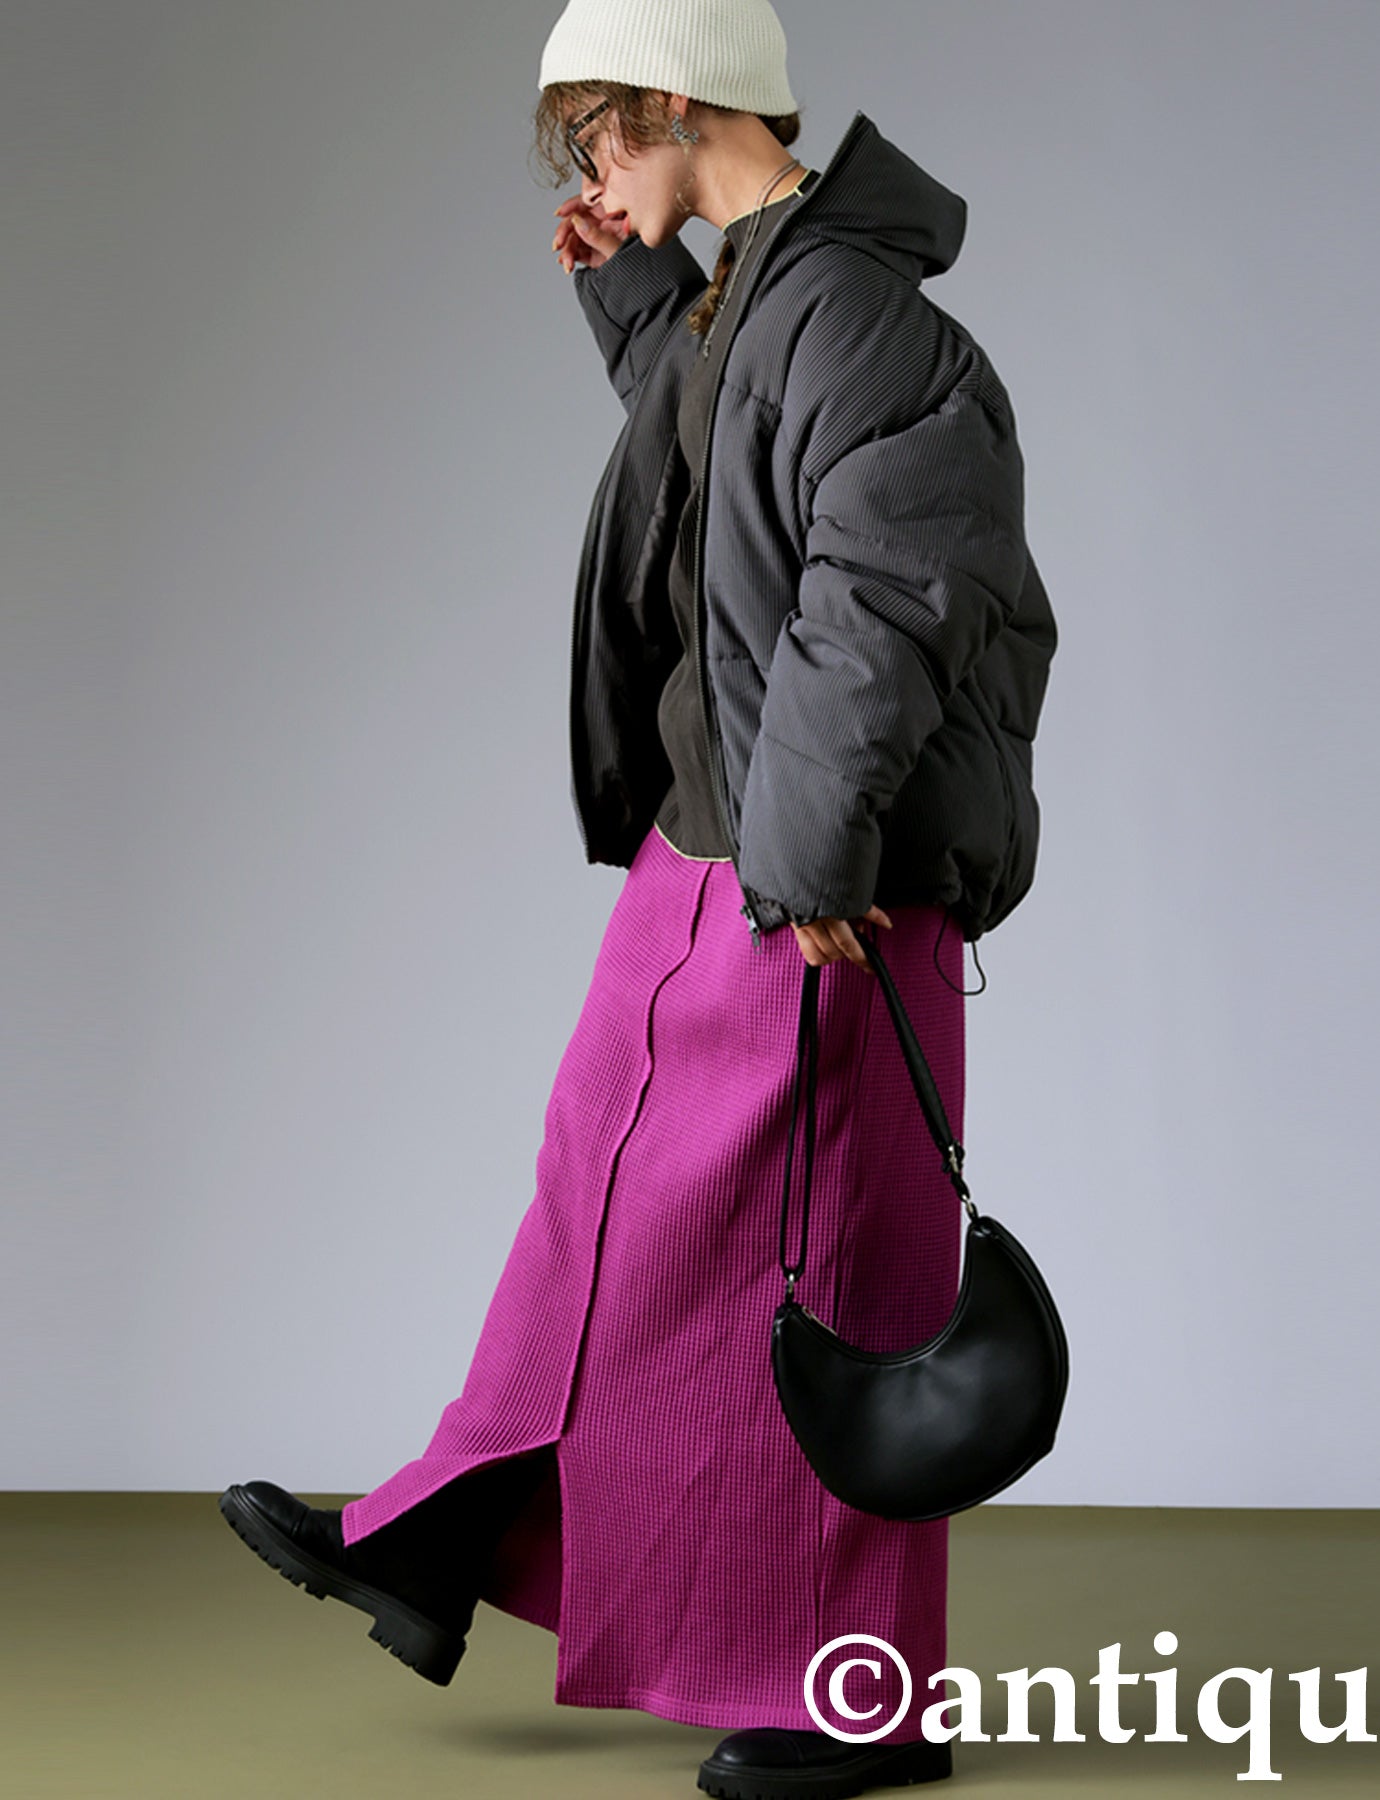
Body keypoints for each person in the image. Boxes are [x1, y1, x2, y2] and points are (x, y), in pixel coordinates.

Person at [219, 3, 1056, 1796]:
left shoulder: (868, 319)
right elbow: (712, 485)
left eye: (597, 133)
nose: (588, 171)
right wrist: (628, 286)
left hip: (822, 875)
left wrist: (810, 860)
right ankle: (451, 1527)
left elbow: (879, 603)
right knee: (593, 1201)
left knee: (824, 1267)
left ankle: (860, 1699)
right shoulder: (751, 294)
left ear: (679, 99)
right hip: (719, 838)